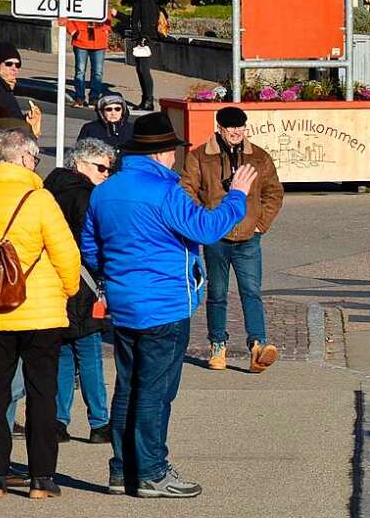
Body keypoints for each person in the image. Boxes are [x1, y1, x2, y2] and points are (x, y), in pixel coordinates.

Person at [81, 112, 257, 498]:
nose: (176, 159)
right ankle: (152, 471)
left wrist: (119, 274)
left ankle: (123, 469)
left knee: (128, 387)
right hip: (163, 303)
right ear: (162, 154)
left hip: (124, 302)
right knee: (155, 392)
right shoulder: (165, 192)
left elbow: (91, 249)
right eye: (172, 152)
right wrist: (238, 196)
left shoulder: (104, 191)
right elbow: (208, 229)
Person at [0, 129, 80, 499]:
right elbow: (66, 255)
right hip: (39, 312)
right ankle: (42, 478)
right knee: (42, 393)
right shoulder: (39, 200)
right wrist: (67, 291)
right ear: (24, 159)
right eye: (34, 157)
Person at [181, 106, 284, 373]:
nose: (237, 132)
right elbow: (187, 189)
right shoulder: (200, 157)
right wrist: (204, 220)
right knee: (216, 293)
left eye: (241, 127)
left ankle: (258, 347)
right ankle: (217, 345)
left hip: (249, 236)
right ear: (220, 129)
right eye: (231, 128)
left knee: (252, 292)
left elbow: (273, 193)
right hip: (216, 237)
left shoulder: (259, 157)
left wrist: (261, 224)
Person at [44, 139, 115, 446]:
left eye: (109, 169)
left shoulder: (48, 188)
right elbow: (94, 244)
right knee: (88, 353)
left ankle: (59, 420)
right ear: (81, 164)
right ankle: (99, 421)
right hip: (81, 282)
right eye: (101, 168)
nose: (106, 174)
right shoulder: (85, 197)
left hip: (52, 281)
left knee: (61, 352)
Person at [124, 0, 161, 112]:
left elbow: (147, 20)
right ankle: (146, 99)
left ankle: (148, 100)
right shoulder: (140, 0)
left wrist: (144, 37)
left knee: (143, 70)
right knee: (141, 69)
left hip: (145, 39)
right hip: (142, 38)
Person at [65, 13, 115, 108]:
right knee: (80, 70)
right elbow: (68, 14)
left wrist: (106, 30)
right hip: (81, 39)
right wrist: (74, 31)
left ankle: (94, 97)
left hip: (99, 40)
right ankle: (79, 97)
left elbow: (106, 13)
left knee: (98, 72)